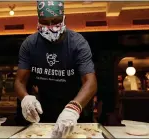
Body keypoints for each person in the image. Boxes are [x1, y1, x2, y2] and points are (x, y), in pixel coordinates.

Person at [14, 1, 97, 138]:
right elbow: (19, 81)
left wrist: (73, 109)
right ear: (38, 20)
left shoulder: (78, 43)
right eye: (45, 21)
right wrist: (26, 98)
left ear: (64, 18)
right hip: (45, 110)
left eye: (56, 21)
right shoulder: (29, 45)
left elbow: (91, 82)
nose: (51, 26)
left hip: (76, 111)